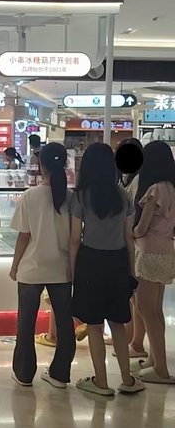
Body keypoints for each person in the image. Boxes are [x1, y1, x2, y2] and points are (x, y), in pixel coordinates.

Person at [70, 143, 144, 395]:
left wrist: (72, 272)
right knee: (118, 323)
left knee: (93, 324)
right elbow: (129, 238)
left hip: (90, 261)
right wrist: (131, 272)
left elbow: (74, 240)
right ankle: (127, 379)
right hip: (118, 261)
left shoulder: (80, 196)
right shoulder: (123, 196)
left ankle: (101, 382)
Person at [9, 143, 76, 388]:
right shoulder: (71, 197)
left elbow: (23, 236)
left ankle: (24, 373)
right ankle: (60, 374)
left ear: (41, 165)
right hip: (62, 269)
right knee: (65, 323)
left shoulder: (30, 196)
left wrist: (15, 265)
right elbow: (75, 238)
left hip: (32, 268)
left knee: (26, 322)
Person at [132, 140, 175, 383]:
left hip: (148, 253)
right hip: (167, 252)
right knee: (156, 310)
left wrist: (130, 233)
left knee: (145, 308)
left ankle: (160, 368)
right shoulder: (171, 188)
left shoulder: (154, 190)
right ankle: (153, 358)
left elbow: (142, 227)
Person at [116, 137, 147, 358]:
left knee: (138, 297)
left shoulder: (140, 180)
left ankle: (136, 342)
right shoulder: (123, 179)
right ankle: (128, 337)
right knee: (130, 295)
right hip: (125, 241)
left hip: (135, 241)